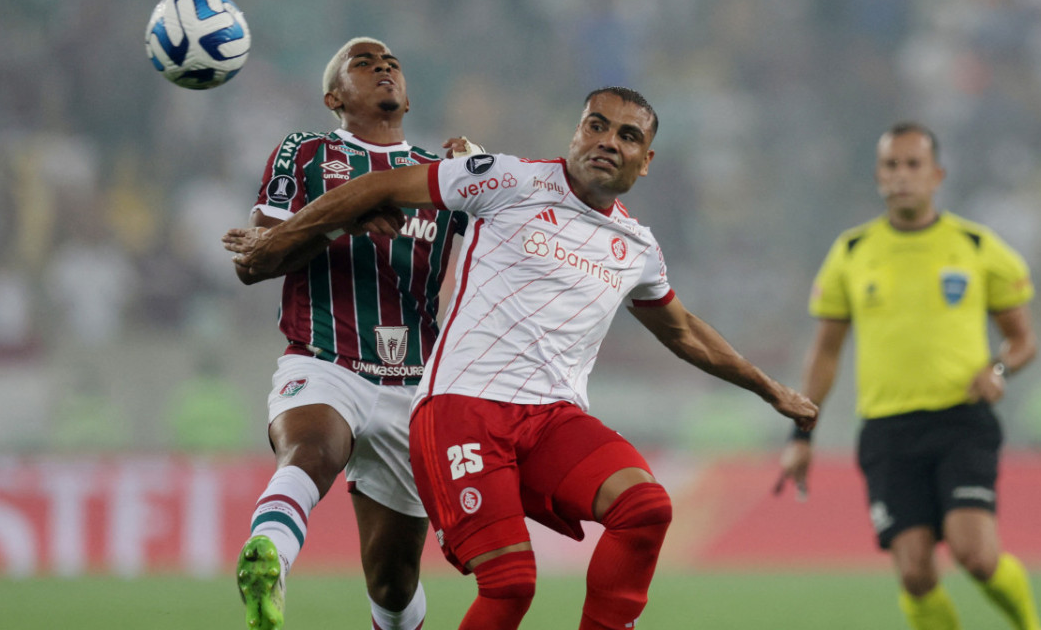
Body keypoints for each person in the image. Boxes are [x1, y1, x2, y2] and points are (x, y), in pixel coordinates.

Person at [226, 86, 818, 629]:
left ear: (647, 160)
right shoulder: (507, 178)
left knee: (645, 508)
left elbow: (684, 331)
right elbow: (381, 186)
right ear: (576, 133)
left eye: (628, 135)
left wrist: (772, 391)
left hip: (551, 419)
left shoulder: (638, 248)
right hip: (461, 409)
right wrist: (276, 239)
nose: (609, 141)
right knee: (510, 584)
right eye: (597, 125)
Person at [232, 36, 477, 630]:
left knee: (393, 583)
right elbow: (255, 261)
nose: (384, 67)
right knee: (312, 452)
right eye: (363, 64)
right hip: (324, 359)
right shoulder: (308, 151)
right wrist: (347, 213)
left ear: (409, 95)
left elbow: (505, 260)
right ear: (333, 96)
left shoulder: (441, 177)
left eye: (391, 62)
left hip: (410, 386)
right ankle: (269, 562)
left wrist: (481, 179)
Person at [774, 122, 1041, 630]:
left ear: (937, 174)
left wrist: (999, 369)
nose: (902, 176)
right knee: (916, 574)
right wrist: (801, 432)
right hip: (887, 429)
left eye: (913, 165)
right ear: (878, 175)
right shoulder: (851, 253)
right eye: (891, 166)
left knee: (977, 556)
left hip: (961, 420)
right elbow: (826, 353)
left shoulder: (976, 246)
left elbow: (1023, 340)